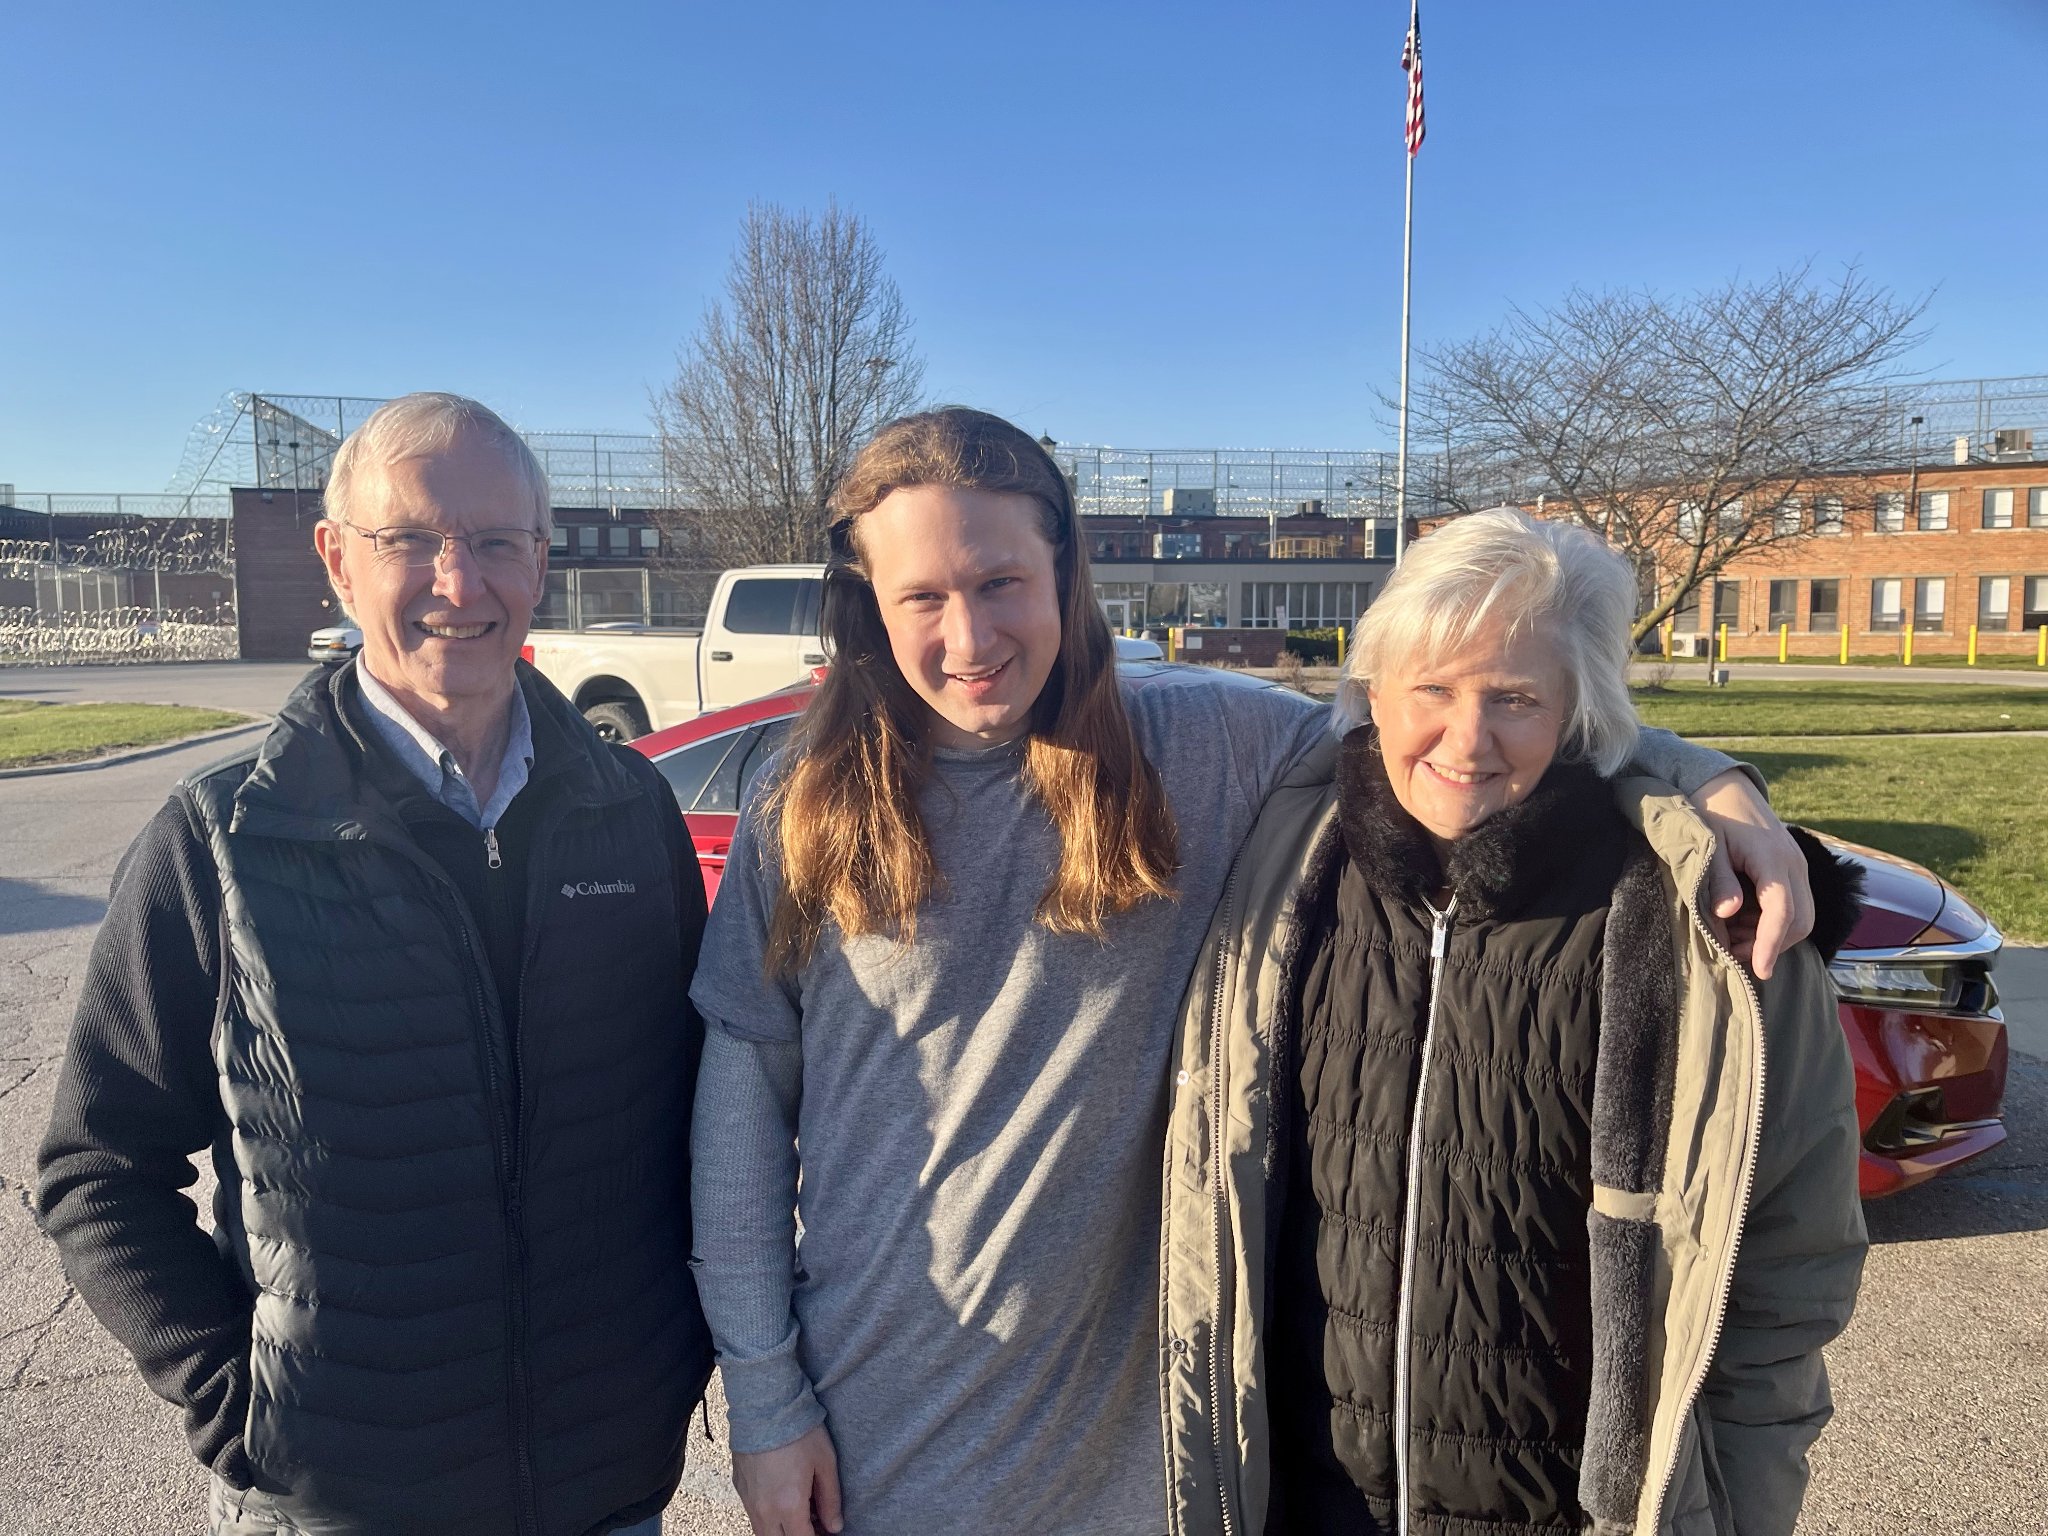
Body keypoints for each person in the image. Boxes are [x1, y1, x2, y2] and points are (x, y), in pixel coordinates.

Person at [688, 409, 1817, 1536]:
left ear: (1065, 572)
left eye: (1000, 583)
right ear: (868, 603)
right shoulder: (802, 808)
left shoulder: (1206, 747)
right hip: (870, 1435)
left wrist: (1707, 782)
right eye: (922, 597)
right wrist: (765, 1402)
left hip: (1129, 1468)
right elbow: (739, 1127)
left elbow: (1441, 714)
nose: (969, 634)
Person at [35, 393, 713, 1536]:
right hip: (337, 1508)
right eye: (410, 540)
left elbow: (701, 1119)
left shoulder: (630, 813)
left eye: (495, 540)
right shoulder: (220, 841)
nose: (459, 582)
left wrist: (674, 1358)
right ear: (337, 562)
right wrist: (244, 1410)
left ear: (540, 560)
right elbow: (95, 1166)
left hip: (606, 1488)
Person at [1160, 508, 1867, 1536]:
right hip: (1303, 1506)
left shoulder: (1707, 929)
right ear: (1372, 692)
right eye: (1432, 690)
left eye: (1515, 698)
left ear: (1579, 712)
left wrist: (1737, 1508)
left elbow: (1788, 1274)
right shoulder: (1279, 863)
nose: (1466, 739)